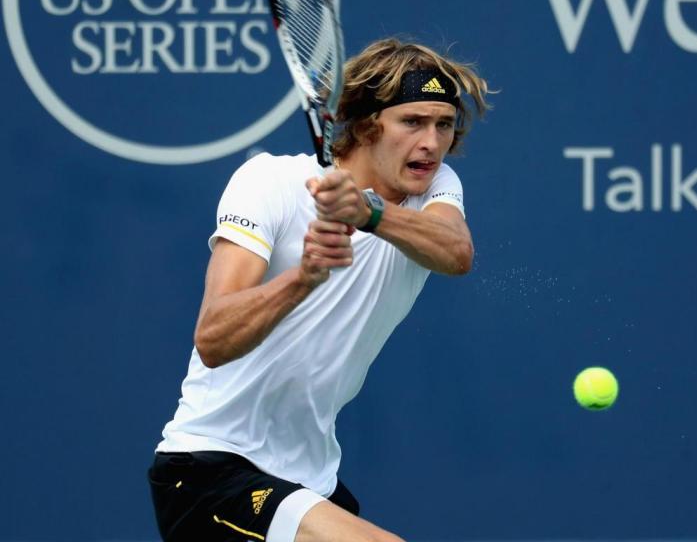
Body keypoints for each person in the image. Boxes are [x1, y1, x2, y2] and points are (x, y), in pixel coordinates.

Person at [148, 38, 490, 542]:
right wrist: (303, 277)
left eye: (444, 125)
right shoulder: (270, 181)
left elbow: (455, 252)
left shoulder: (436, 188)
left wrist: (368, 213)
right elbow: (214, 337)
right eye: (413, 122)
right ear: (369, 124)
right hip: (210, 466)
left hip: (311, 478)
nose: (432, 143)